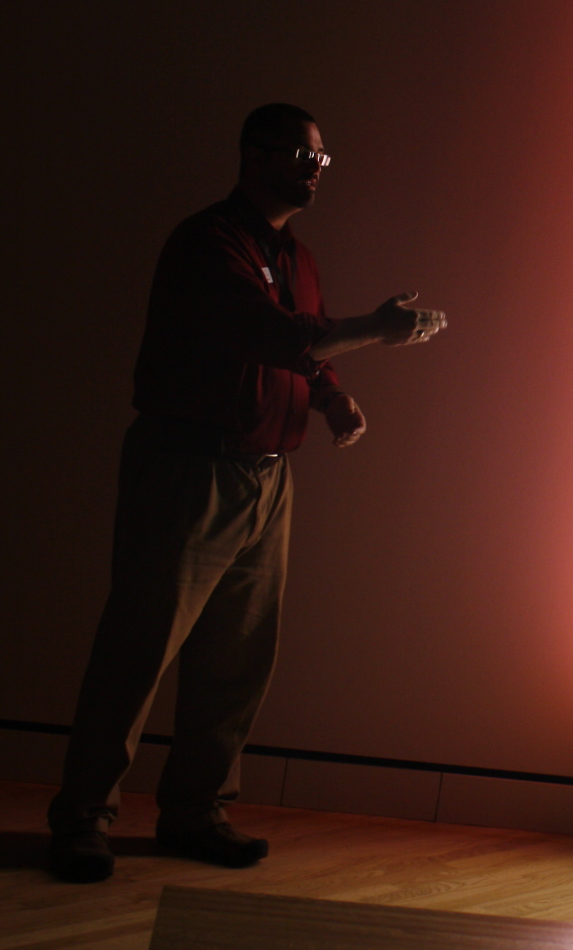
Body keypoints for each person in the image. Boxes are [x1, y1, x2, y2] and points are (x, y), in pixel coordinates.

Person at [46, 104, 448, 883]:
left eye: (321, 159)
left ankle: (196, 812)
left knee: (237, 658)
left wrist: (331, 398)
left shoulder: (296, 257)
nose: (313, 169)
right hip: (188, 469)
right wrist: (376, 328)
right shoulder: (209, 244)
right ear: (252, 155)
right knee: (138, 649)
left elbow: (305, 342)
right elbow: (273, 335)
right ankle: (82, 819)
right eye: (299, 154)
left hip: (266, 477)